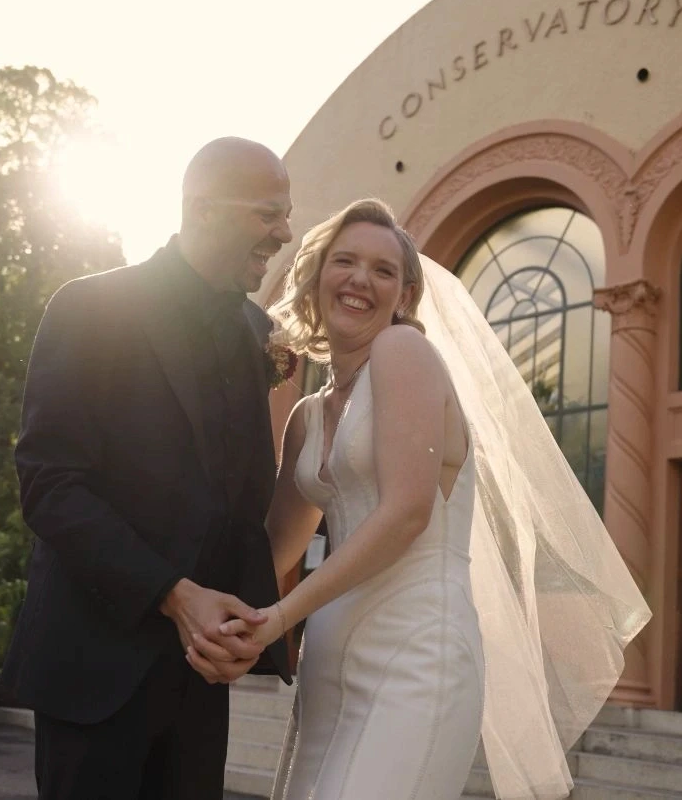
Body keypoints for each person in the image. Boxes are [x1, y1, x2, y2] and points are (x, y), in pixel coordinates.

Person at [202, 199, 652, 800]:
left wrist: (279, 620)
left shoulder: (403, 353)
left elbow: (407, 514)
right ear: (317, 277)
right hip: (328, 664)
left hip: (416, 654)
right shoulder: (307, 416)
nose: (362, 278)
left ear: (405, 296)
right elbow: (273, 549)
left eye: (384, 271)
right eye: (345, 261)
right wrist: (195, 602)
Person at [1, 137, 296, 800]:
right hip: (94, 672)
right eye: (268, 213)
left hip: (198, 681)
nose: (284, 233)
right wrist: (172, 592)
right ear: (203, 208)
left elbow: (235, 503)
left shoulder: (257, 331)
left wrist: (254, 622)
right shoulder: (88, 307)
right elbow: (49, 484)